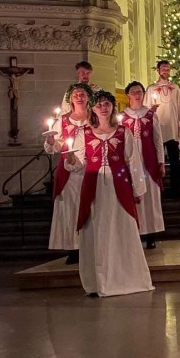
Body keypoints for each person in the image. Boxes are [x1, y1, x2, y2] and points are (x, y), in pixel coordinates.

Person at [71, 91, 154, 297]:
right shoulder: (84, 133)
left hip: (119, 186)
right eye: (99, 104)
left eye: (107, 104)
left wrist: (138, 188)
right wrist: (71, 161)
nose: (103, 108)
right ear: (92, 108)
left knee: (121, 227)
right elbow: (78, 163)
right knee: (96, 229)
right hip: (94, 188)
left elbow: (133, 161)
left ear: (112, 107)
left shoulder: (123, 132)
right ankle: (97, 282)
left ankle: (125, 278)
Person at [44, 83, 93, 263]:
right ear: (70, 99)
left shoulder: (94, 118)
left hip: (90, 169)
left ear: (88, 97)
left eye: (82, 94)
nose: (79, 97)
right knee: (71, 208)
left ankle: (91, 245)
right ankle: (74, 247)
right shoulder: (63, 120)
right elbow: (55, 147)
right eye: (75, 95)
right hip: (69, 173)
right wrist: (51, 142)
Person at [121, 81, 165, 249]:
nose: (137, 95)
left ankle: (151, 233)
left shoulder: (150, 115)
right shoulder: (122, 117)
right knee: (134, 194)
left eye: (139, 92)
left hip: (148, 161)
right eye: (133, 92)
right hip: (130, 161)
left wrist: (161, 162)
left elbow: (158, 140)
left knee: (150, 195)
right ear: (128, 95)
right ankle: (136, 232)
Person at [149, 60, 180, 198]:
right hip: (157, 128)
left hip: (172, 128)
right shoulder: (151, 89)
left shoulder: (175, 88)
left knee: (174, 159)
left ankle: (176, 189)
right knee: (157, 160)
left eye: (168, 69)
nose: (165, 71)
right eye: (163, 68)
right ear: (158, 70)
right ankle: (158, 189)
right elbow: (146, 108)